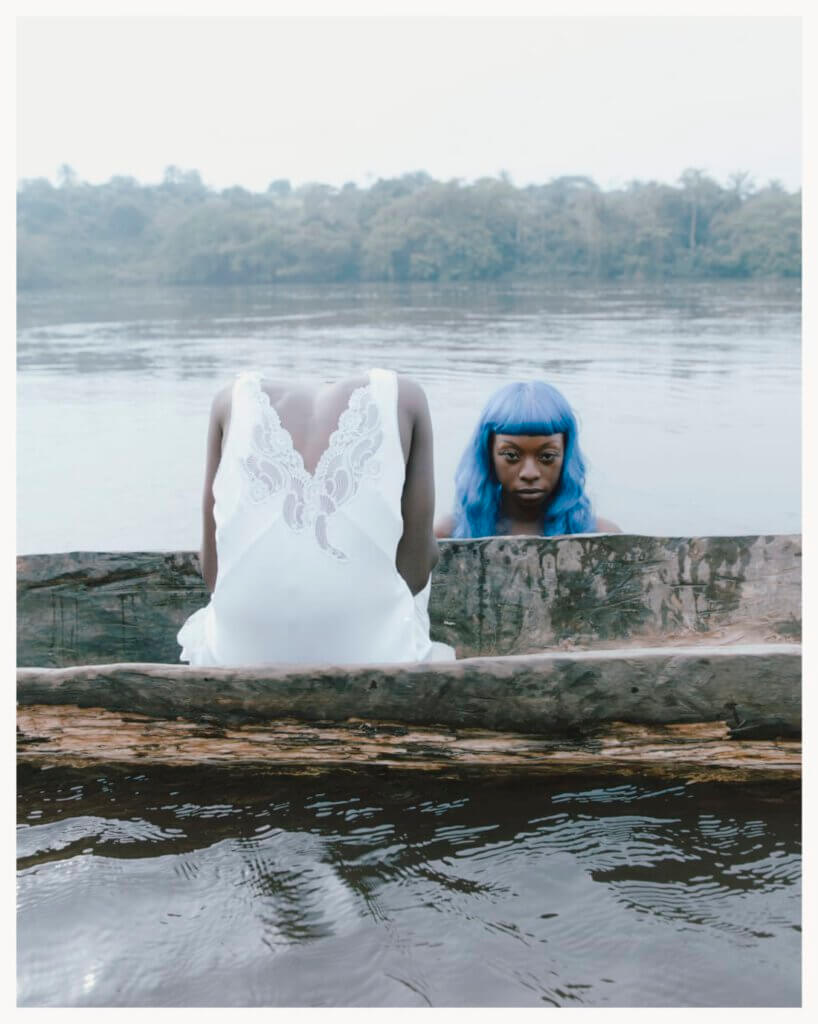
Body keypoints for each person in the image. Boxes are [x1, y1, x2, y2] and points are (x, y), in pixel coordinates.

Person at [178, 368, 454, 665]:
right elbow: (415, 574)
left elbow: (213, 575)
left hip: (237, 657)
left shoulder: (229, 399)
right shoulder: (407, 396)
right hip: (374, 658)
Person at [435, 380, 620, 538]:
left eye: (547, 456)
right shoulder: (450, 535)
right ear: (488, 453)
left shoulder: (603, 538)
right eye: (511, 456)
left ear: (566, 455)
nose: (529, 473)